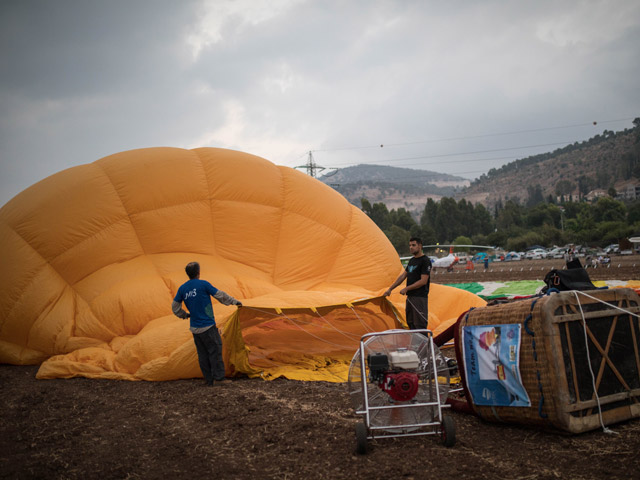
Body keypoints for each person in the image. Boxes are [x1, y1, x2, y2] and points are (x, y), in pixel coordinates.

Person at [172, 262, 242, 386]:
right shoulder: (203, 284)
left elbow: (175, 307)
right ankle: (219, 379)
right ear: (198, 272)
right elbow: (220, 295)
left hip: (195, 328)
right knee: (215, 351)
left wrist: (185, 315)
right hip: (207, 326)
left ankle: (209, 380)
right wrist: (234, 301)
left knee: (203, 354)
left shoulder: (183, 288)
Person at [383, 237, 432, 331]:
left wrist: (407, 288)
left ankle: (424, 344)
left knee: (419, 324)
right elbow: (402, 277)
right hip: (410, 297)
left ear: (420, 246)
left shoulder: (425, 261)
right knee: (411, 322)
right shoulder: (412, 260)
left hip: (419, 298)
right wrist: (390, 289)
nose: (411, 247)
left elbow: (423, 281)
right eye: (410, 245)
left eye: (413, 245)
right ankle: (414, 345)